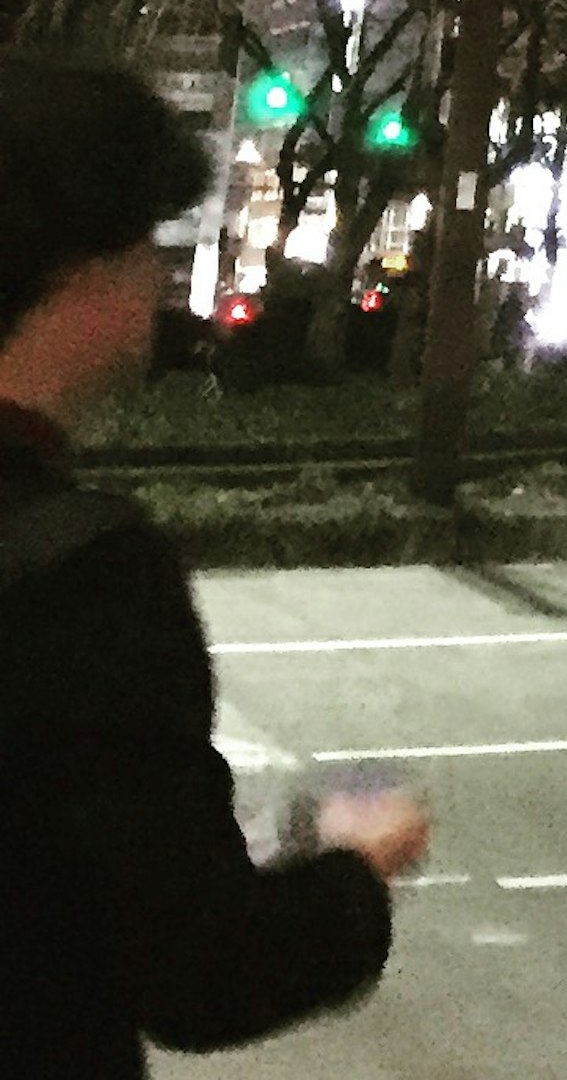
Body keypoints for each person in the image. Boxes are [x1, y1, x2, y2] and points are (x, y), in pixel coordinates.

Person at [0, 54, 429, 1080]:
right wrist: (357, 868)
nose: (156, 283)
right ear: (84, 273)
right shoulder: (84, 576)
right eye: (148, 246)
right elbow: (199, 970)